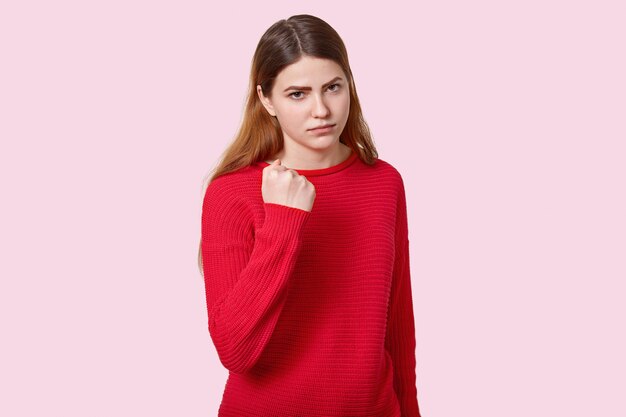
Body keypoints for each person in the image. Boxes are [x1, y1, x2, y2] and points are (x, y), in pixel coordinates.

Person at [198, 14, 423, 417]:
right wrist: (284, 219)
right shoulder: (230, 192)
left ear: (349, 85)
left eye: (332, 88)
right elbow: (235, 349)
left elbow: (397, 326)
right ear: (267, 99)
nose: (321, 109)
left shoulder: (384, 183)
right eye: (298, 94)